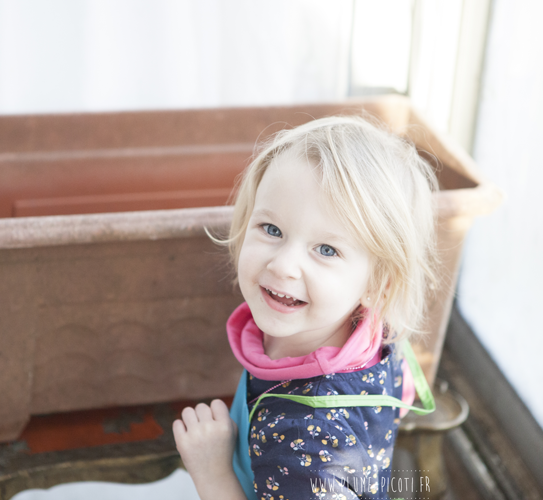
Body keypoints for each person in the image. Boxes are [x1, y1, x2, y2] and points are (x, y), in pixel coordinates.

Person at [172, 114, 438, 500]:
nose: (282, 265)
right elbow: (403, 393)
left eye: (326, 249)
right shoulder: (373, 332)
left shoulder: (305, 445)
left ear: (378, 286)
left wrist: (212, 472)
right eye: (272, 229)